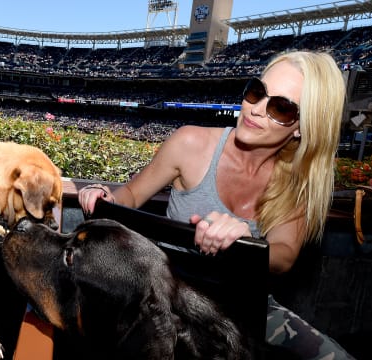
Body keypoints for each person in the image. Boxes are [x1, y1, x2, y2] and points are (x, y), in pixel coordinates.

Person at [79, 51, 355, 359]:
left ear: (302, 127)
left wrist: (245, 244)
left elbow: (285, 254)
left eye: (281, 107)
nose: (255, 109)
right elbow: (130, 194)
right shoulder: (190, 144)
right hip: (168, 297)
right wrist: (103, 193)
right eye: (256, 91)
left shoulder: (297, 182)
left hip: (245, 306)